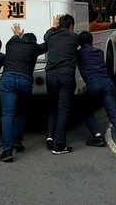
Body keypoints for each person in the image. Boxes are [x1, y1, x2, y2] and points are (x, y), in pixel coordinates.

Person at [0, 23, 48, 162]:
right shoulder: (34, 47)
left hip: (8, 80)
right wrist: (55, 28)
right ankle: (18, 141)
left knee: (8, 114)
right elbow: (48, 43)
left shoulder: (10, 44)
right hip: (25, 81)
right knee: (21, 112)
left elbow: (14, 38)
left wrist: (17, 33)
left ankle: (7, 150)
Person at [77, 31, 116, 154]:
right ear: (91, 41)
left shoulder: (79, 54)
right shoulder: (99, 52)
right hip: (107, 84)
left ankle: (97, 137)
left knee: (86, 111)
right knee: (114, 114)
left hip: (93, 85)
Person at [44, 14, 79, 155]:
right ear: (71, 26)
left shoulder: (50, 36)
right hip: (66, 75)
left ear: (59, 25)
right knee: (63, 110)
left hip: (50, 75)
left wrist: (54, 26)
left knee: (53, 107)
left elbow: (47, 35)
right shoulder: (74, 37)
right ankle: (59, 145)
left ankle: (50, 136)